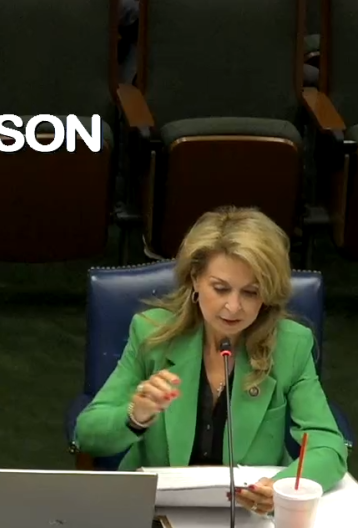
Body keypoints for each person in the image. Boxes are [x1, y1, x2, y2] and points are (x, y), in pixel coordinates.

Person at [74, 206, 347, 516]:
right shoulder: (152, 334)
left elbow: (327, 445)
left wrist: (280, 489)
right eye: (220, 289)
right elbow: (88, 433)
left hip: (248, 514)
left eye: (251, 292)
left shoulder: (290, 345)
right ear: (195, 278)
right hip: (158, 509)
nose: (234, 306)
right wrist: (135, 416)